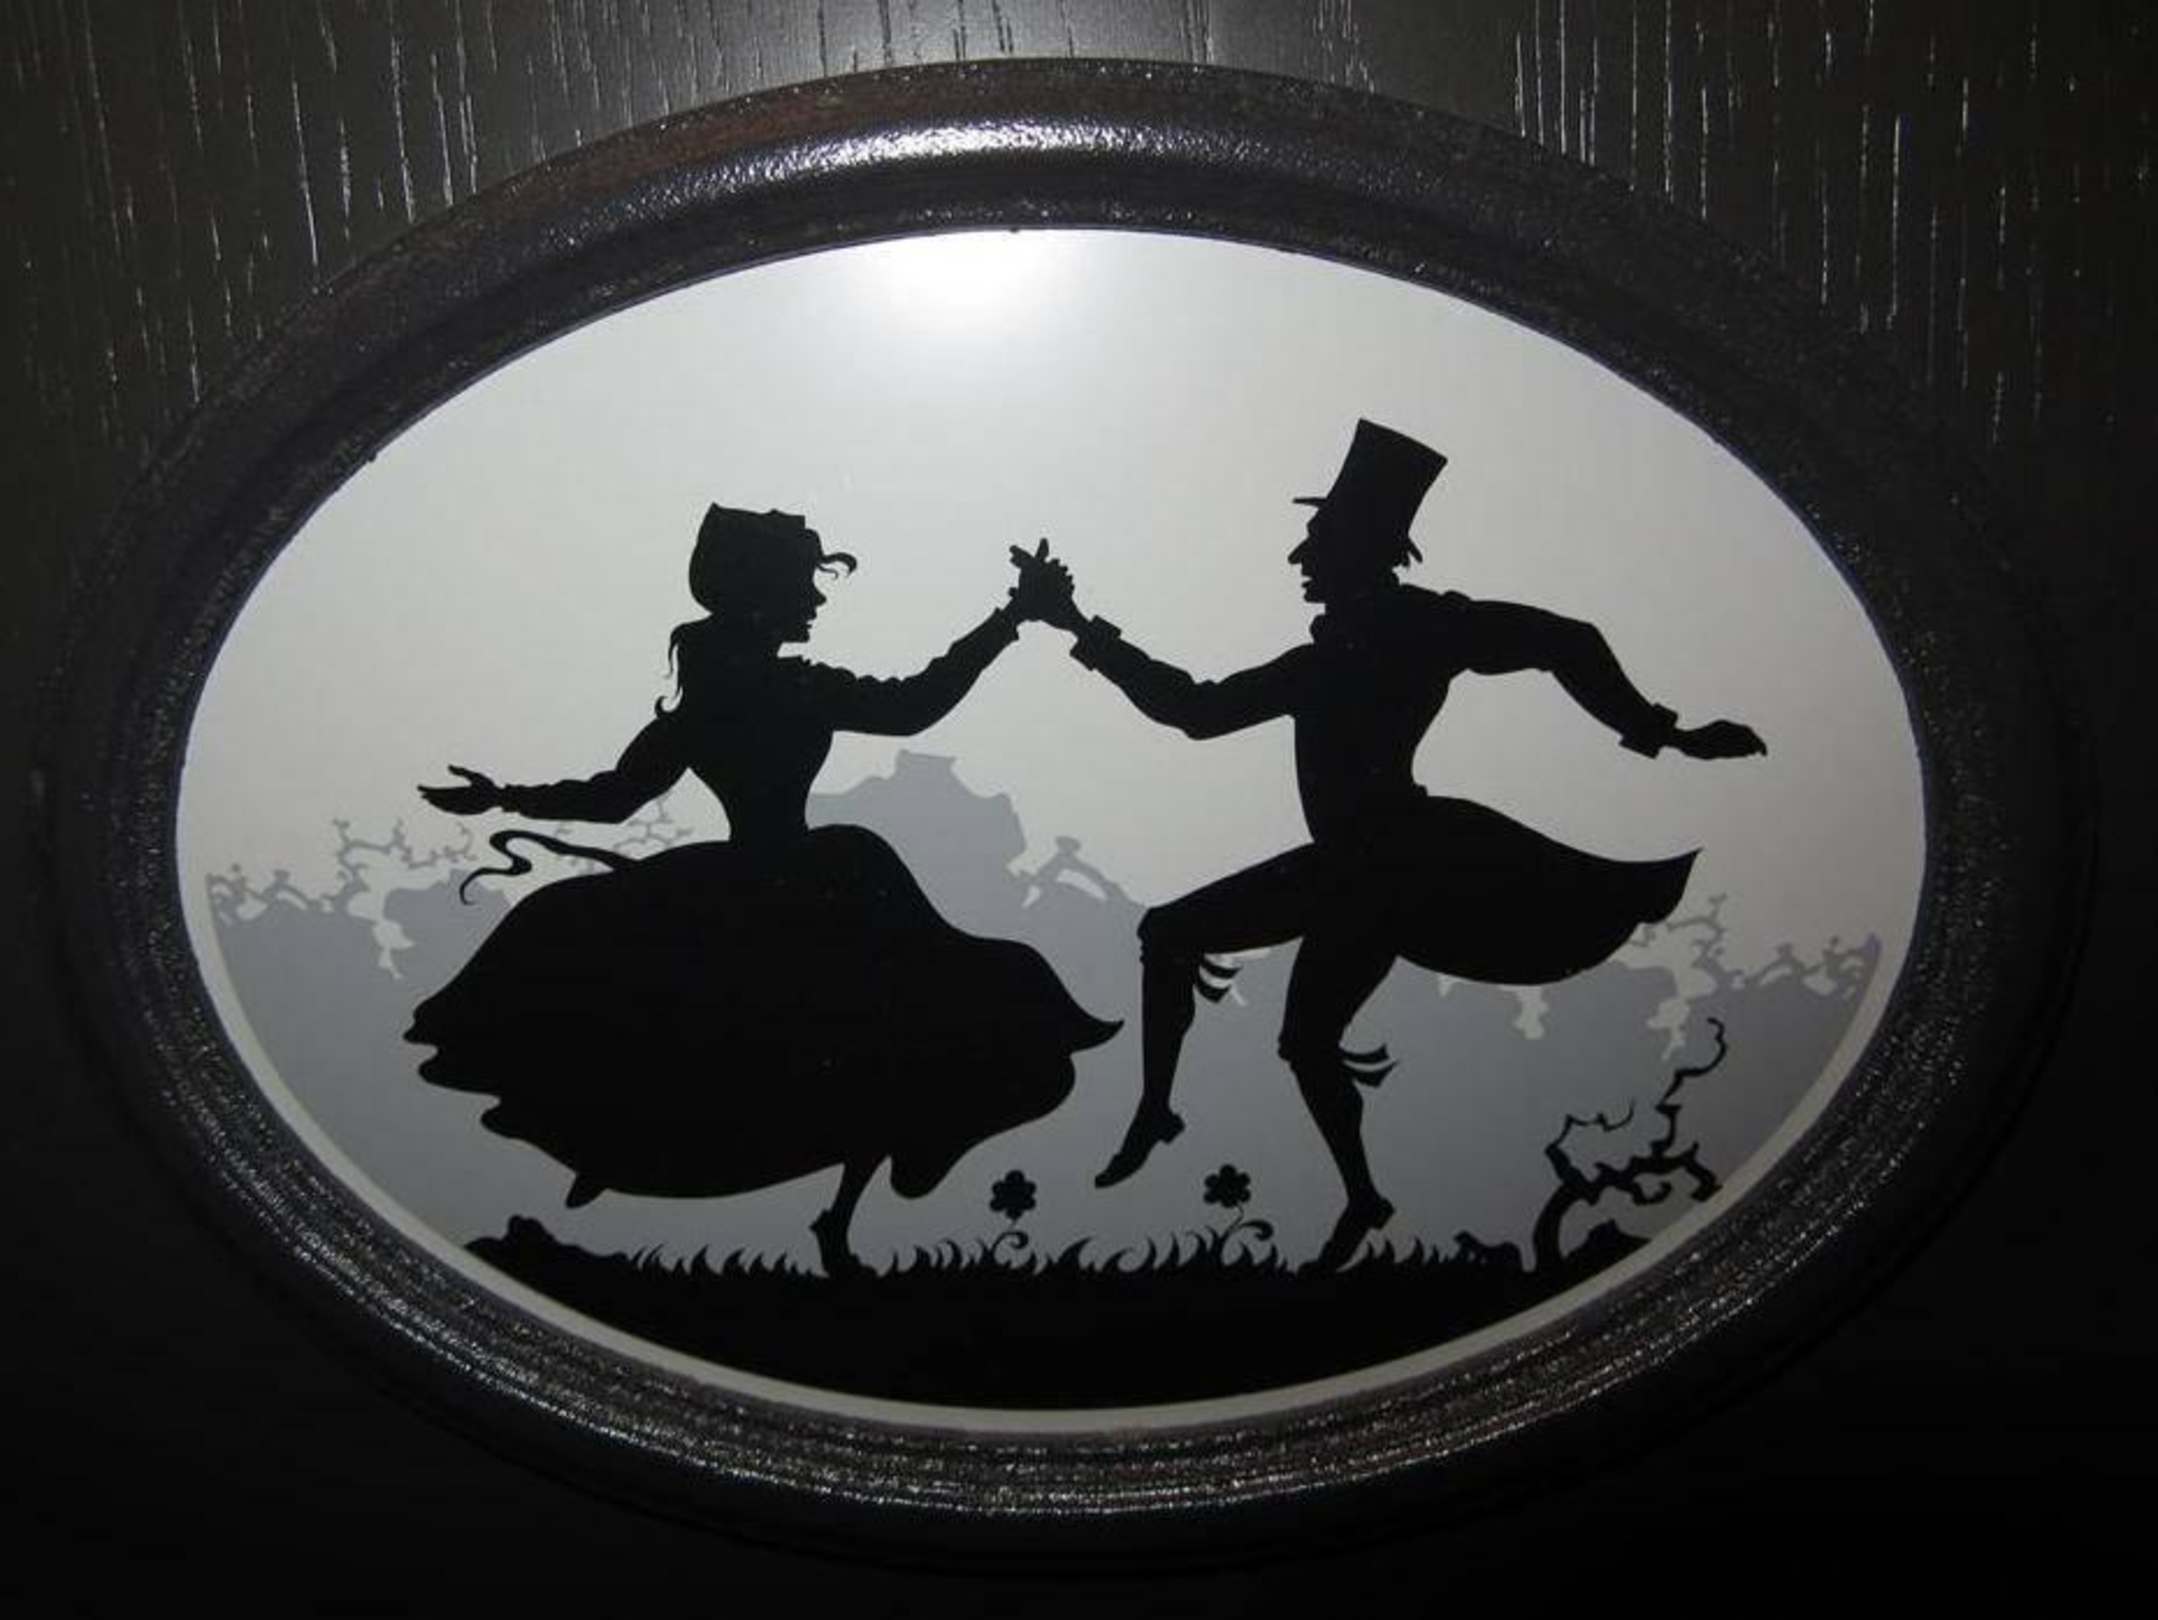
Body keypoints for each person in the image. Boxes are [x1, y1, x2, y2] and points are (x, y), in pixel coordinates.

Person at [1019, 421, 1765, 1272]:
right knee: (1281, 1022)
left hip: (1386, 861)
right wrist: (1078, 625)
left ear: (1360, 550)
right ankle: (1331, 1184)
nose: (1300, 557)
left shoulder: (1419, 631)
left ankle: (1170, 1115)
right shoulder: (1336, 654)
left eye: (1317, 540)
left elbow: (1566, 639)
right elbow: (1195, 710)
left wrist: (1662, 732)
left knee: (1184, 944)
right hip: (1360, 866)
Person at [406, 504, 1116, 1276]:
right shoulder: (787, 689)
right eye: (802, 585)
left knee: (875, 1029)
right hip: (808, 883)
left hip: (771, 876)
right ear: (762, 593)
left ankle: (856, 1185)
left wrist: (504, 797)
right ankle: (874, 1160)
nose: (813, 601)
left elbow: (614, 797)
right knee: (879, 1026)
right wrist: (1011, 618)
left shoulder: (708, 703)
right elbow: (912, 705)